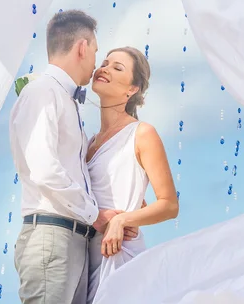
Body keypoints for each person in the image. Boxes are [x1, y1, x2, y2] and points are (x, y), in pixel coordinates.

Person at [9, 10, 138, 304]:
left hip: (71, 241)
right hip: (52, 239)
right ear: (82, 47)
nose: (95, 64)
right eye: (95, 52)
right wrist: (96, 215)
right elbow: (44, 170)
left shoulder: (62, 98)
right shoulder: (43, 92)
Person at [85, 47, 180, 303]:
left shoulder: (142, 134)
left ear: (132, 89)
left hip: (120, 256)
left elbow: (169, 205)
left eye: (117, 68)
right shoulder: (88, 143)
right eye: (104, 63)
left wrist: (122, 220)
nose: (104, 68)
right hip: (85, 258)